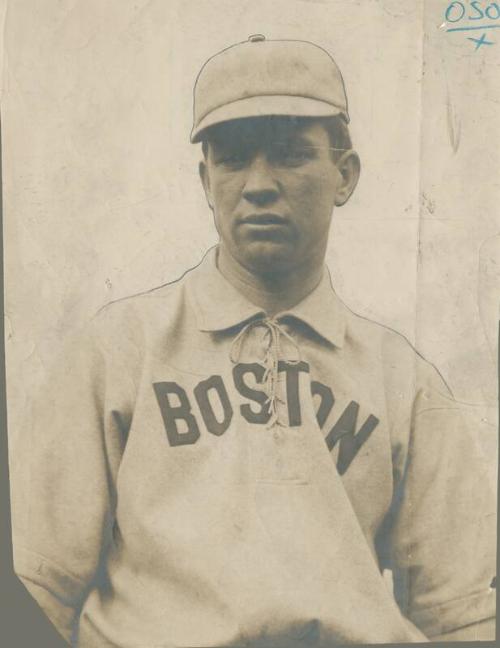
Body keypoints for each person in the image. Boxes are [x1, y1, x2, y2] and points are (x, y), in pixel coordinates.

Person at [13, 35, 496, 646]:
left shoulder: (402, 380)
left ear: (344, 174)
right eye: (235, 158)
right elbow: (35, 589)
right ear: (205, 179)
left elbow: (461, 616)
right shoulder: (117, 351)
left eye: (291, 154)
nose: (260, 184)